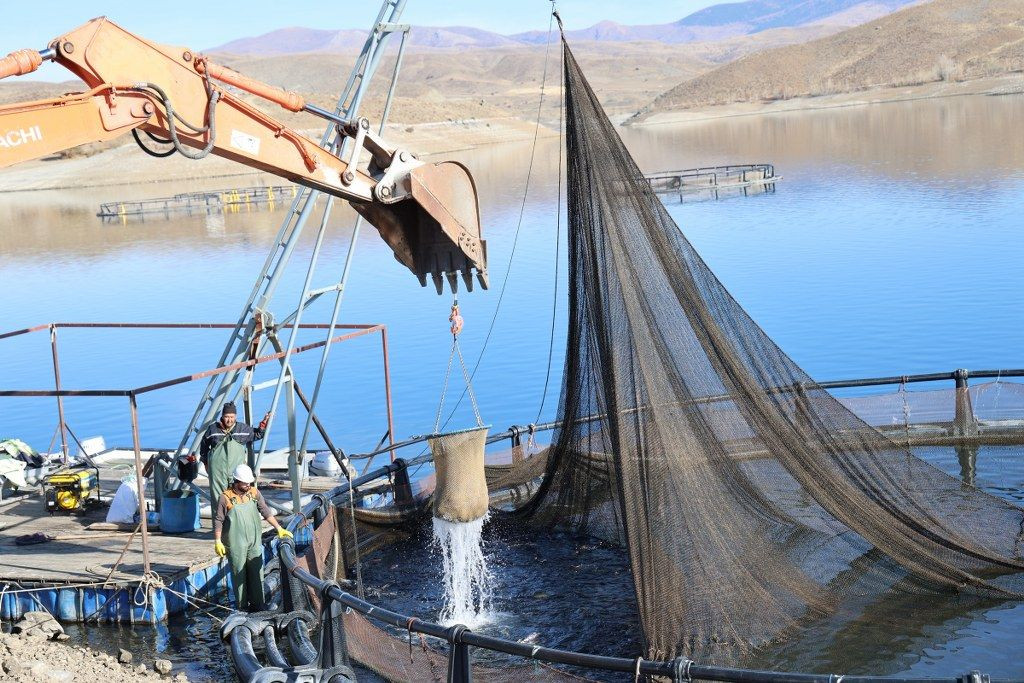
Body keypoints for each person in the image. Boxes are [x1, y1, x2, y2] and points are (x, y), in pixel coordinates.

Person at [213, 464, 292, 611]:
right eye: (244, 483)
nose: (248, 485)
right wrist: (218, 541)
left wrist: (279, 528)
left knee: (257, 572)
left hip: (254, 541)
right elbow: (218, 520)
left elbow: (266, 511)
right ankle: (242, 607)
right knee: (239, 575)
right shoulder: (225, 498)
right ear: (236, 482)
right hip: (236, 544)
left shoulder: (254, 493)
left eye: (249, 482)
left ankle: (259, 605)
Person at [200, 401, 270, 506]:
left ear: (236, 416)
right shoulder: (213, 429)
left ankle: (236, 521)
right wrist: (205, 463)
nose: (229, 420)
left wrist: (265, 422)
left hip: (236, 472)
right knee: (219, 500)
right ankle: (219, 522)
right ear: (222, 416)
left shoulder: (241, 429)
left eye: (232, 417)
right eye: (227, 417)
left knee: (238, 499)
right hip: (218, 473)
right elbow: (204, 446)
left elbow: (258, 434)